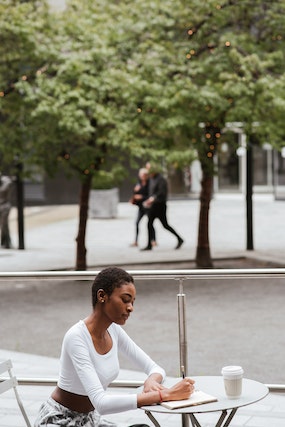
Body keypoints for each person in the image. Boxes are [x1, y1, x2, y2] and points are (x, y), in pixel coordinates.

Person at [34, 267, 195, 427]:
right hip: (59, 420)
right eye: (125, 300)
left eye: (132, 302)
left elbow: (155, 368)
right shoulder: (76, 337)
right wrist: (165, 394)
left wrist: (152, 381)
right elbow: (102, 403)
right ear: (102, 296)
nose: (131, 307)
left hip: (90, 420)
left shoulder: (113, 330)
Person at [141, 165, 184, 251]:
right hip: (153, 206)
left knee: (165, 225)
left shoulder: (161, 179)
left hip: (160, 206)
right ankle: (149, 244)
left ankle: (180, 239)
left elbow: (161, 193)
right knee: (149, 224)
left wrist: (153, 198)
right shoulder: (152, 179)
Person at [129, 168, 156, 247]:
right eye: (141, 175)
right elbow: (135, 194)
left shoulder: (150, 183)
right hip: (141, 207)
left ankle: (153, 240)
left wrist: (142, 197)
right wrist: (134, 194)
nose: (143, 176)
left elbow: (150, 195)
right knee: (137, 223)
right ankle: (136, 241)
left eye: (144, 175)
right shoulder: (139, 183)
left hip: (148, 206)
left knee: (150, 223)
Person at [0, 173, 13, 249]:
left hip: (5, 205)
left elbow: (7, 186)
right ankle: (4, 241)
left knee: (4, 224)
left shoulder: (6, 181)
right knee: (3, 225)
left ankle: (7, 242)